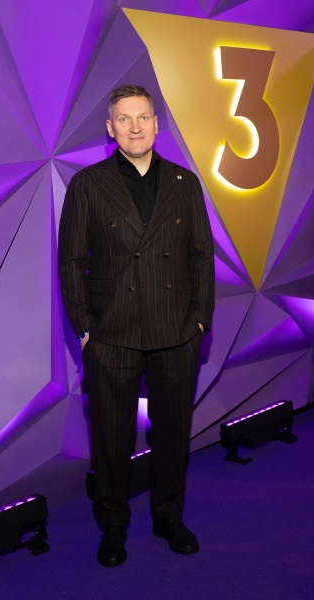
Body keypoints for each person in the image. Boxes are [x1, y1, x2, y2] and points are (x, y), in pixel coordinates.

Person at [58, 85, 215, 567]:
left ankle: (169, 517)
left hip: (175, 332)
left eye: (142, 117)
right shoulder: (88, 184)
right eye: (124, 119)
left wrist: (199, 322)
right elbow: (71, 262)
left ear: (156, 124)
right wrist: (85, 329)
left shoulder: (186, 183)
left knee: (172, 432)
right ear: (111, 129)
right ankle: (113, 524)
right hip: (111, 334)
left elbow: (201, 257)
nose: (134, 127)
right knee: (111, 439)